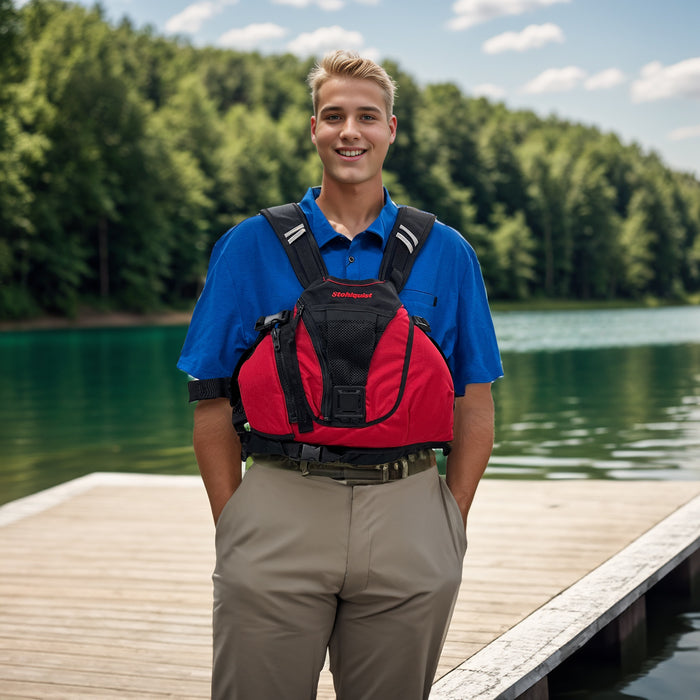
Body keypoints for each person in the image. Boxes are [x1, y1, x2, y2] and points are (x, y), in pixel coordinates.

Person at [178, 50, 503, 700]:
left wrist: (450, 521)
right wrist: (235, 520)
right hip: (279, 505)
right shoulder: (248, 246)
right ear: (313, 129)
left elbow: (474, 399)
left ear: (391, 129)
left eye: (366, 116)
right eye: (334, 116)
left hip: (409, 508)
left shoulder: (447, 252)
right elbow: (210, 399)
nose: (349, 131)